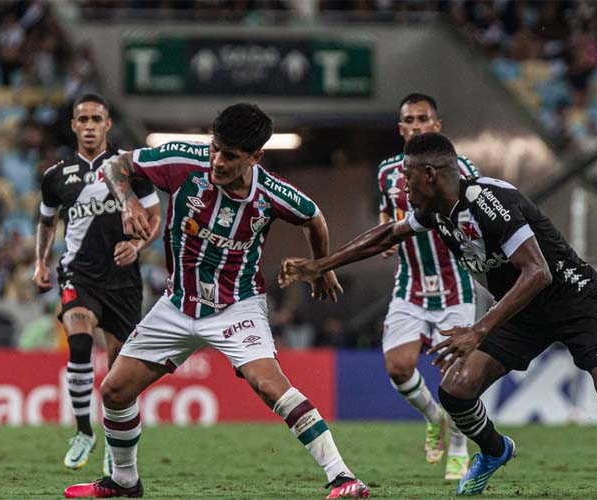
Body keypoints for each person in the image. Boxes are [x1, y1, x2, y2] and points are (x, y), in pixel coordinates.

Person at [279, 133, 597, 498]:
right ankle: (493, 449)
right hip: (521, 312)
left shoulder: (488, 199)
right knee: (456, 390)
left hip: (572, 301)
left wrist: (477, 330)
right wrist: (322, 264)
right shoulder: (435, 210)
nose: (403, 186)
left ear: (430, 174)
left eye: (408, 177)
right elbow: (386, 235)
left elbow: (538, 272)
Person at [64, 103, 369, 499]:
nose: (218, 161)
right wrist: (129, 201)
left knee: (269, 384)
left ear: (256, 157)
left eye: (231, 156)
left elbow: (313, 217)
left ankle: (343, 477)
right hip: (178, 303)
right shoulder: (183, 160)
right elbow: (116, 165)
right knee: (115, 391)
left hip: (236, 306)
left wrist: (323, 267)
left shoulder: (271, 193)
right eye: (216, 148)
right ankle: (124, 482)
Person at [33, 93, 161, 475]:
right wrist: (40, 262)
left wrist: (137, 245)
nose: (89, 125)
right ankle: (82, 431)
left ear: (107, 125)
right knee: (79, 336)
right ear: (73, 125)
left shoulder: (128, 168)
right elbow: (47, 222)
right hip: (78, 273)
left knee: (119, 372)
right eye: (83, 119)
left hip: (122, 281)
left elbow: (154, 216)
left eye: (96, 119)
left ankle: (112, 444)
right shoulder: (56, 176)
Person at [376, 93, 477, 479]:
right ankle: (435, 418)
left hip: (456, 285)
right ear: (401, 128)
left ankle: (458, 445)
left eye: (423, 119)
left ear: (437, 126)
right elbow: (386, 212)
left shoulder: (463, 168)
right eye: (409, 120)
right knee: (398, 367)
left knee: (456, 378)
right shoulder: (388, 172)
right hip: (411, 284)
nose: (416, 125)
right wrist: (385, 236)